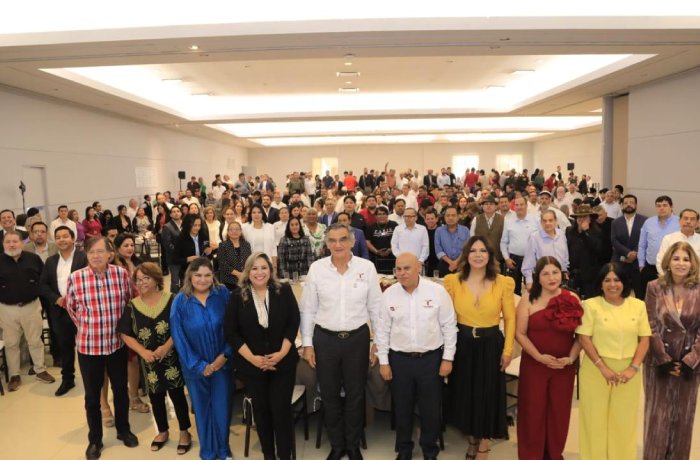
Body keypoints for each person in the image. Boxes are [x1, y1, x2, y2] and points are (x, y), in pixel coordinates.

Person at [300, 223, 383, 460]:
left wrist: (377, 341)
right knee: (330, 394)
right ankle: (337, 445)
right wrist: (307, 344)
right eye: (333, 240)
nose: (338, 245)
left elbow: (376, 307)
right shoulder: (317, 269)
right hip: (325, 340)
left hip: (357, 339)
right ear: (326, 244)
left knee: (356, 394)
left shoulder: (366, 268)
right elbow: (308, 309)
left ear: (352, 241)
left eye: (343, 239)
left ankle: (353, 445)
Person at [376, 253, 457, 460]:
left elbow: (449, 326)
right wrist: (384, 362)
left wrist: (447, 358)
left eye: (407, 268)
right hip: (399, 360)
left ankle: (430, 450)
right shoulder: (389, 295)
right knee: (402, 409)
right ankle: (404, 450)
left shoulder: (437, 292)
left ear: (418, 268)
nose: (402, 273)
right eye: (398, 269)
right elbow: (382, 331)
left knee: (430, 410)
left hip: (430, 360)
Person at [65, 237, 139, 460]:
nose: (96, 256)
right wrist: (87, 328)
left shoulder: (121, 274)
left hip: (116, 344)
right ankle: (95, 440)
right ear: (86, 255)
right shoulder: (76, 278)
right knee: (92, 397)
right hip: (89, 347)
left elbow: (128, 302)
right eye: (91, 252)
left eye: (100, 251)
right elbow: (72, 308)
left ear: (110, 254)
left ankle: (123, 430)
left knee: (121, 390)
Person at [443, 236, 516, 459]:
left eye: (483, 251)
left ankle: (483, 445)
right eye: (473, 250)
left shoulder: (503, 282)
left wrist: (507, 350)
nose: (478, 255)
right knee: (465, 393)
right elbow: (446, 319)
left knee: (487, 395)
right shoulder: (452, 281)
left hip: (490, 344)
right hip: (462, 344)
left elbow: (510, 319)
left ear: (490, 255)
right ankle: (472, 440)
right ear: (466, 255)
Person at [225, 252, 300, 460]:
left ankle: (284, 455)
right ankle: (268, 455)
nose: (259, 272)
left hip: (282, 363)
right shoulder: (237, 296)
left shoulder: (283, 290)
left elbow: (293, 322)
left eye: (264, 267)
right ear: (248, 272)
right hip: (252, 366)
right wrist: (253, 359)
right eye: (254, 268)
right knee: (261, 412)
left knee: (281, 411)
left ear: (271, 270)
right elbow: (231, 332)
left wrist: (282, 353)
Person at [576, 263, 651, 460]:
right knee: (594, 421)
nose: (612, 284)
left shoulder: (638, 305)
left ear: (624, 282)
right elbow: (584, 338)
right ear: (600, 284)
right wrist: (602, 367)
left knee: (624, 422)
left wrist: (633, 368)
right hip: (595, 370)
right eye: (607, 280)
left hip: (628, 372)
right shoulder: (590, 305)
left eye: (617, 280)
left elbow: (644, 339)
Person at [117, 262, 192, 454]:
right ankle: (163, 431)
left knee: (177, 394)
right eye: (138, 279)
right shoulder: (132, 306)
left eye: (146, 278)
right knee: (155, 396)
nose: (141, 282)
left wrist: (166, 347)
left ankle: (184, 432)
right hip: (148, 360)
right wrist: (142, 352)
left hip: (172, 356)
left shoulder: (172, 299)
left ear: (157, 279)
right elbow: (125, 334)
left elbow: (181, 326)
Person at [515, 257, 583, 460]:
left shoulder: (572, 297)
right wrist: (539, 357)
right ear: (538, 277)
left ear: (562, 274)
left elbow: (582, 335)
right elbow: (520, 333)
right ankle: (531, 455)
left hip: (563, 366)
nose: (551, 278)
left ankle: (554, 454)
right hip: (534, 364)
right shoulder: (528, 299)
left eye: (555, 272)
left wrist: (571, 358)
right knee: (532, 411)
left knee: (559, 412)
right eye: (545, 274)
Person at [170, 257, 233, 460]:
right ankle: (207, 452)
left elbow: (234, 327)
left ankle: (223, 450)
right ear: (190, 276)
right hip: (194, 368)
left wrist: (225, 355)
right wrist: (198, 365)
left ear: (213, 276)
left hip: (222, 364)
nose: (203, 279)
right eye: (198, 275)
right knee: (202, 410)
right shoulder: (180, 301)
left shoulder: (222, 294)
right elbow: (178, 336)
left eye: (207, 275)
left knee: (222, 408)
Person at [643, 241, 700, 460]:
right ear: (668, 261)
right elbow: (649, 324)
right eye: (676, 258)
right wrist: (662, 358)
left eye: (686, 259)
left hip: (690, 363)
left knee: (683, 418)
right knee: (657, 418)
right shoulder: (654, 287)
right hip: (659, 362)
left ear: (692, 263)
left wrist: (691, 359)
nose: (681, 263)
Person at [0, 230, 56, 391]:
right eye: (8, 242)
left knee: (35, 340)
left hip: (31, 306)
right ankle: (14, 375)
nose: (11, 245)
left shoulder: (33, 259)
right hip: (6, 309)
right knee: (11, 343)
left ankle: (40, 370)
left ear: (22, 243)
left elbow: (43, 280)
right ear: (3, 244)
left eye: (15, 241)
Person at [39, 225, 88, 396]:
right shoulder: (51, 261)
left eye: (65, 236)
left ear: (73, 238)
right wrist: (57, 299)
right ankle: (68, 379)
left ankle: (90, 378)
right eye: (58, 237)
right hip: (60, 311)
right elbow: (43, 285)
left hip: (83, 310)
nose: (62, 240)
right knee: (65, 347)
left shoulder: (84, 258)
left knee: (86, 347)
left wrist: (73, 299)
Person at [638, 195, 680, 299]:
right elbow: (642, 245)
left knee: (670, 299)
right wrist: (641, 264)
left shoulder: (679, 222)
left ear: (671, 207)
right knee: (649, 298)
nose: (661, 208)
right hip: (650, 268)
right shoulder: (648, 222)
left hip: (672, 269)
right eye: (658, 206)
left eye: (665, 205)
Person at [522, 210, 570, 291]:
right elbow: (528, 263)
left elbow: (565, 257)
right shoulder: (534, 238)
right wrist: (529, 282)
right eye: (544, 221)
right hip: (543, 280)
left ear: (556, 221)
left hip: (560, 279)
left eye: (550, 220)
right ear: (541, 222)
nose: (547, 223)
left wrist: (565, 272)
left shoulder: (561, 235)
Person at [500, 197, 539, 296]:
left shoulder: (535, 220)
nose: (519, 207)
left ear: (526, 205)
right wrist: (507, 258)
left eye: (521, 204)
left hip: (532, 260)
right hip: (514, 260)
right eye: (517, 205)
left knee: (532, 290)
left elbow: (540, 241)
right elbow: (503, 242)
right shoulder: (508, 221)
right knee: (513, 290)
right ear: (514, 207)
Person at [610, 194, 647, 297]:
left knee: (639, 292)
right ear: (622, 205)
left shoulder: (645, 221)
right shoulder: (615, 222)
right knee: (619, 291)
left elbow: (645, 239)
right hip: (620, 260)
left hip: (638, 261)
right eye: (626, 203)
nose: (628, 205)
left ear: (636, 205)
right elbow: (614, 240)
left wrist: (635, 253)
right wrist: (627, 253)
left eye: (631, 203)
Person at [566, 204, 604, 299]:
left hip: (590, 274)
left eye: (585, 217)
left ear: (590, 219)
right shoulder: (569, 231)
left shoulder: (597, 232)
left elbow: (598, 249)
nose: (582, 219)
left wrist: (586, 232)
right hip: (573, 272)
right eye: (579, 217)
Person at [655, 208, 700, 275]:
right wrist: (667, 278)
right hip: (671, 279)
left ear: (697, 223)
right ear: (679, 221)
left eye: (692, 219)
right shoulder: (668, 238)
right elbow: (660, 261)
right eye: (685, 218)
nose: (688, 221)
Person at [434, 205, 470, 278]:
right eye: (448, 215)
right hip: (444, 264)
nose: (450, 218)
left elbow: (466, 249)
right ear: (444, 217)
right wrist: (451, 263)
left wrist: (456, 262)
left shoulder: (465, 230)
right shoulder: (439, 231)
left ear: (458, 217)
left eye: (453, 215)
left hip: (461, 264)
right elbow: (438, 250)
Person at [175, 213, 212, 281]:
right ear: (188, 225)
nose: (197, 228)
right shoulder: (180, 238)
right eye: (194, 225)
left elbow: (208, 255)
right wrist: (187, 259)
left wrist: (208, 252)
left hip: (202, 271)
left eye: (199, 225)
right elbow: (175, 259)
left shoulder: (204, 236)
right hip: (187, 273)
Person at [217, 221, 252, 292]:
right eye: (231, 229)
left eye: (237, 229)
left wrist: (244, 274)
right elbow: (223, 264)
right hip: (229, 281)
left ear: (241, 231)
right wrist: (239, 274)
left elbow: (250, 262)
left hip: (245, 280)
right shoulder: (223, 245)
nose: (234, 231)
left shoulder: (246, 245)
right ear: (228, 232)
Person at [243, 203, 278, 268]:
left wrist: (274, 265)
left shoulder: (270, 227)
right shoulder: (244, 227)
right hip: (251, 264)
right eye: (254, 212)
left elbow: (273, 248)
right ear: (250, 214)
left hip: (267, 262)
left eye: (259, 212)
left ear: (263, 214)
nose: (256, 215)